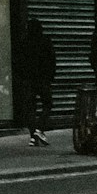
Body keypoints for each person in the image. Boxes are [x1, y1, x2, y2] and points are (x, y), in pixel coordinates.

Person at [20, 15, 57, 146]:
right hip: (43, 79)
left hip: (28, 79)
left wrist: (22, 77)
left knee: (30, 108)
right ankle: (39, 129)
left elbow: (20, 62)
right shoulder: (45, 41)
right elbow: (52, 59)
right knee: (48, 104)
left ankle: (33, 136)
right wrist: (51, 75)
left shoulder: (24, 42)